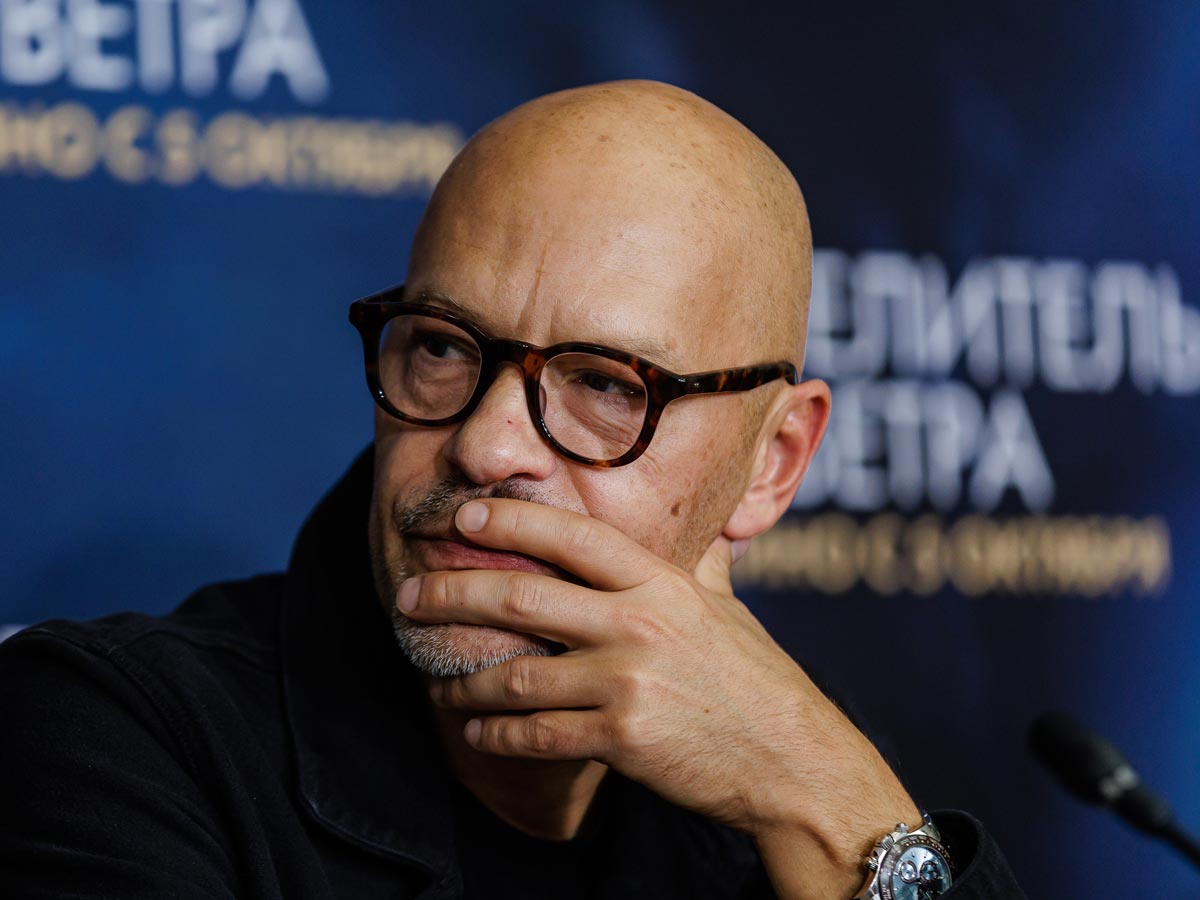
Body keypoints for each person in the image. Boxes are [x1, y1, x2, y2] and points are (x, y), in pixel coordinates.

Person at [0, 81, 1025, 899]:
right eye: (444, 346)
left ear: (774, 464)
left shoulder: (788, 775)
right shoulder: (106, 739)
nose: (487, 447)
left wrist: (833, 808)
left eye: (605, 385)